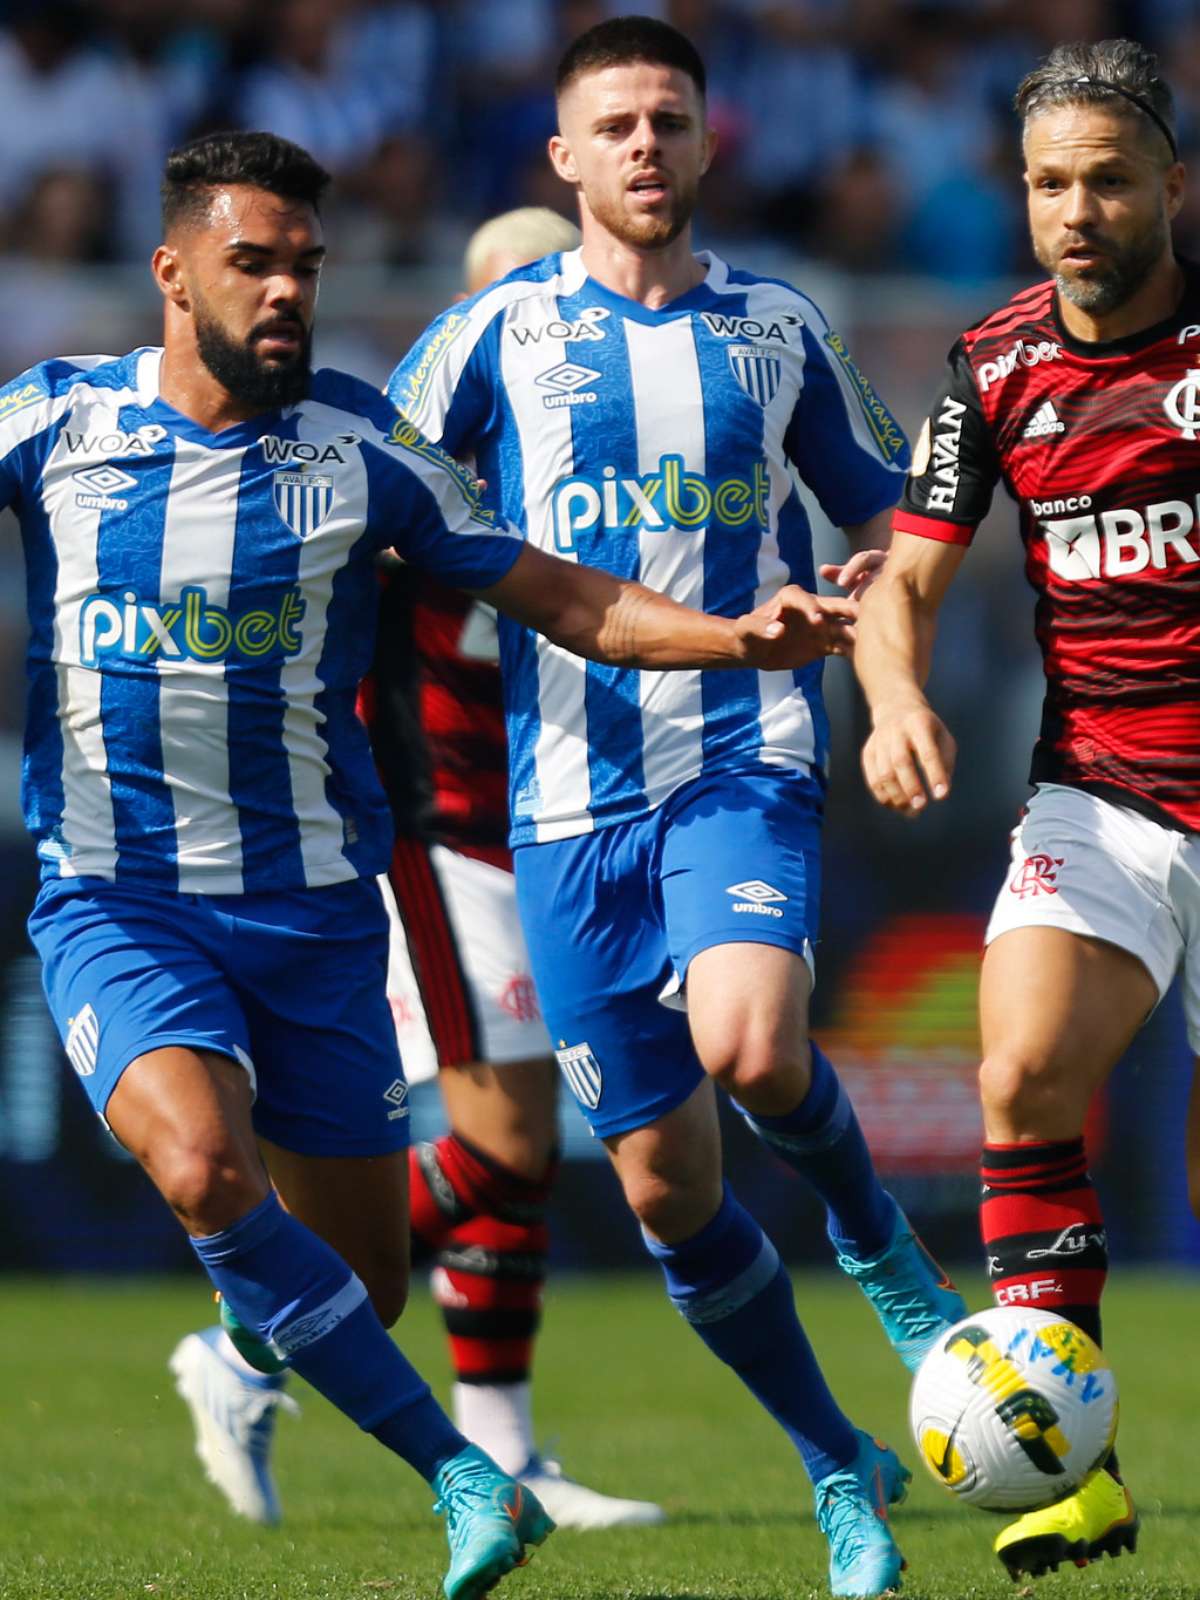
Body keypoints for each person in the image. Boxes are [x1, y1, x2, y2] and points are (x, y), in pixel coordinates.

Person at [6, 129, 849, 1600]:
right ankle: (472, 1475)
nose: (283, 293)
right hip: (118, 896)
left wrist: (734, 634)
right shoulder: (54, 426)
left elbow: (562, 592)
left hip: (320, 916)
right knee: (204, 1166)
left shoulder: (365, 452)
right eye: (251, 263)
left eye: (304, 269)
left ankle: (263, 1360)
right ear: (172, 271)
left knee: (366, 1289)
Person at [390, 18, 966, 1599]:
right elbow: (380, 507)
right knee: (665, 1187)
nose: (646, 146)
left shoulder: (781, 324)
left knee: (756, 1046)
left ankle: (878, 1243)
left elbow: (895, 519)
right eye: (616, 126)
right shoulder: (487, 341)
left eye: (671, 120)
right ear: (564, 158)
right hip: (564, 811)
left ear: (710, 144)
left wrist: (888, 642)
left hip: (741, 751)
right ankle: (835, 1460)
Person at [853, 36, 1190, 1585]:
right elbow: (900, 584)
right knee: (1020, 1067)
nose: (1077, 210)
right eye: (1052, 182)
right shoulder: (995, 368)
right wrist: (902, 698)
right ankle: (1080, 1468)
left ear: (1172, 188)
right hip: (1104, 797)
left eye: (1108, 179)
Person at [376, 205, 665, 1529]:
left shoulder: (603, 456)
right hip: (439, 827)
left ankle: (504, 1453)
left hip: (566, 826)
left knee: (530, 1151)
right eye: (507, 293)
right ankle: (260, 1314)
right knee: (501, 1147)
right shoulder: (409, 462)